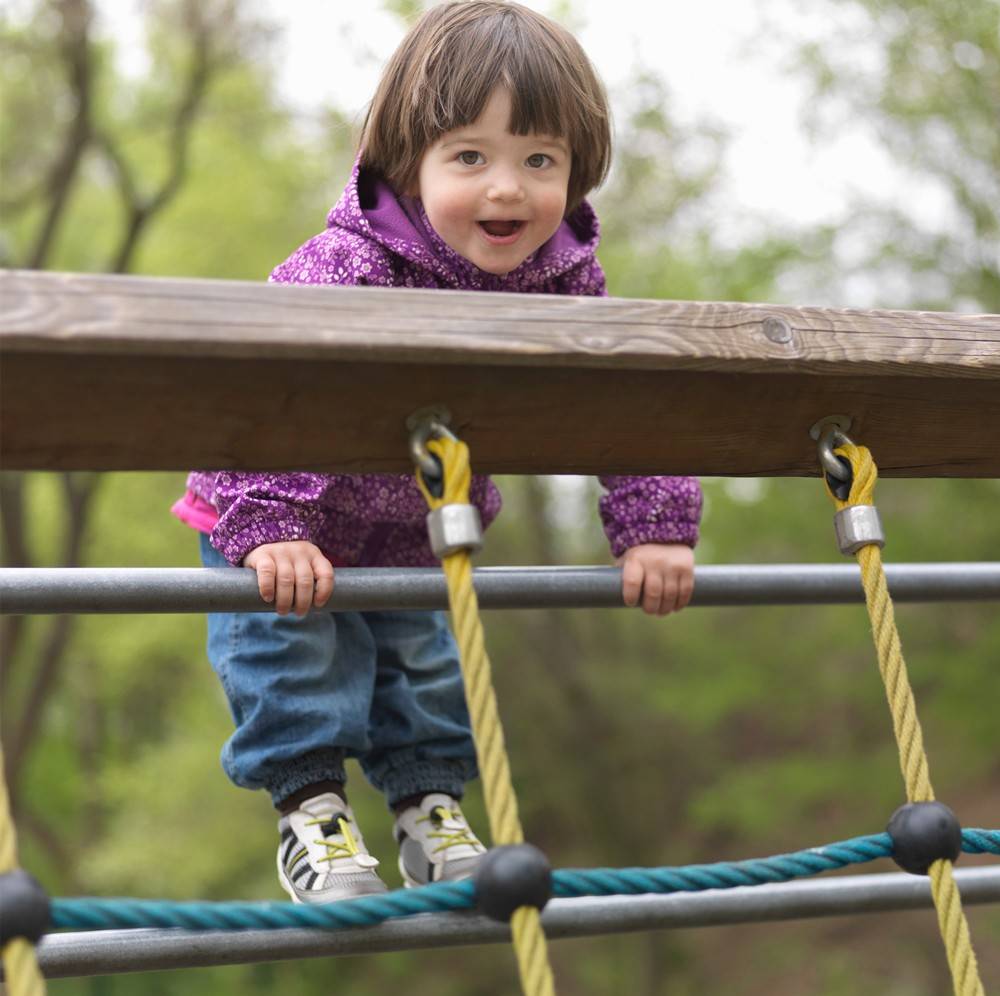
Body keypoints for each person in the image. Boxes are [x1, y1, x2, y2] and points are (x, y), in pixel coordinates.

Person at [171, 0, 702, 905]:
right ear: (406, 164)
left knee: (425, 670)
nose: (507, 189)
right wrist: (272, 525)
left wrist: (654, 527)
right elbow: (273, 387)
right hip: (275, 517)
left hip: (409, 531)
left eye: (539, 160)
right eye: (470, 157)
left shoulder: (564, 285)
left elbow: (625, 397)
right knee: (295, 661)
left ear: (576, 175)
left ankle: (429, 810)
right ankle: (314, 817)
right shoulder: (349, 264)